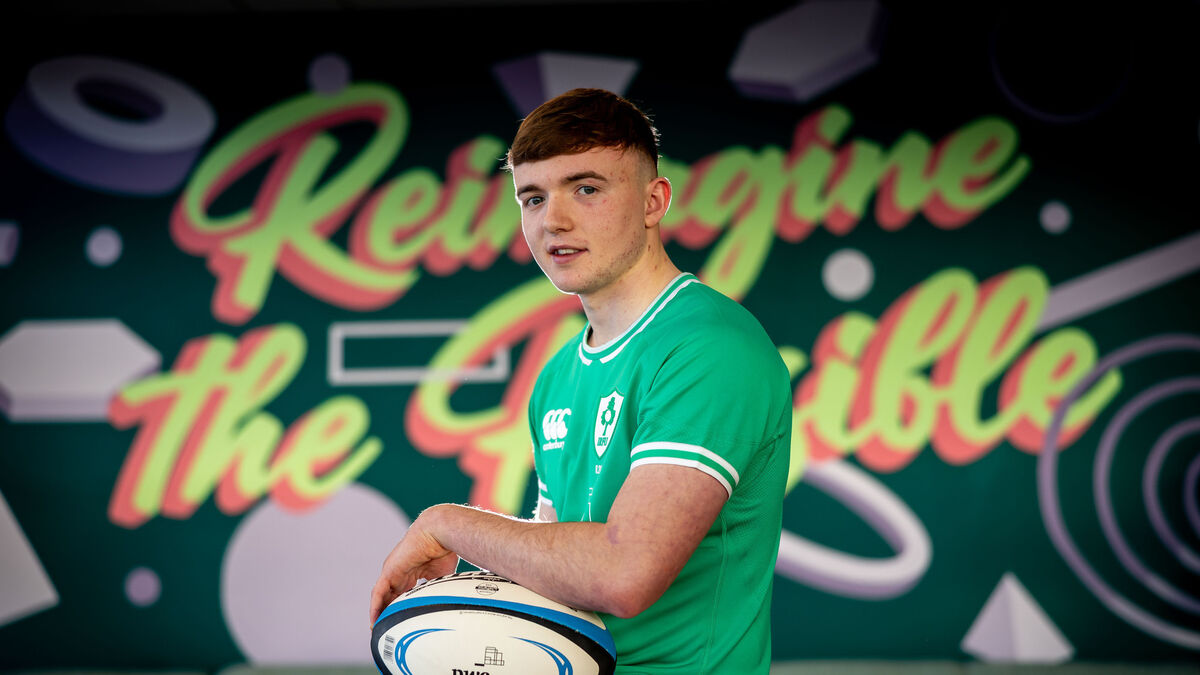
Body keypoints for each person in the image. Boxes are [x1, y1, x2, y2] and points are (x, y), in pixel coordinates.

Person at [369, 88, 792, 674]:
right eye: (533, 197)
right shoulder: (558, 375)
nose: (554, 220)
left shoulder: (710, 349)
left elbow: (624, 573)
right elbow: (558, 563)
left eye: (586, 188)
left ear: (654, 201)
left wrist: (448, 524)